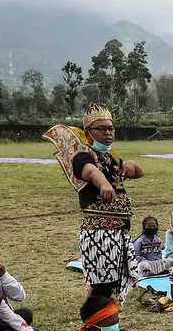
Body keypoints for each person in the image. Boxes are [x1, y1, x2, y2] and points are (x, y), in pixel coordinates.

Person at [44, 104, 146, 301]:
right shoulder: (82, 156)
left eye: (110, 128)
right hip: (99, 234)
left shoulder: (112, 159)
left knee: (112, 284)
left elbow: (139, 173)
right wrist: (103, 184)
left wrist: (133, 166)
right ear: (88, 133)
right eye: (101, 129)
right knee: (101, 285)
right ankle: (95, 324)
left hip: (120, 231)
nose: (108, 133)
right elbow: (90, 171)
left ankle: (107, 323)